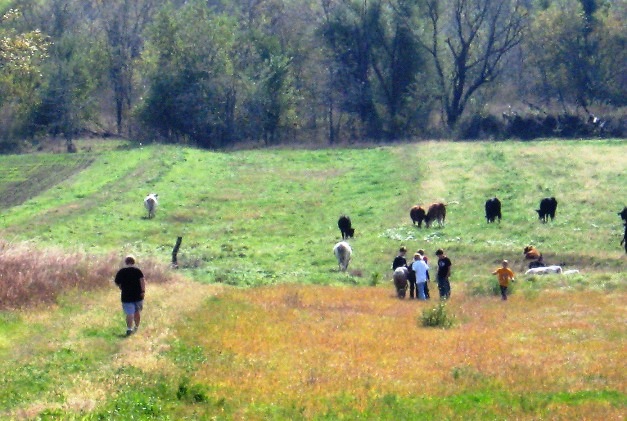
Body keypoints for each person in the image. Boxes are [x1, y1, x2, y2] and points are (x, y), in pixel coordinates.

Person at [114, 255, 145, 336]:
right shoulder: (138, 271)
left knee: (129, 313)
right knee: (137, 312)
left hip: (126, 295)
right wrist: (143, 291)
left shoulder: (122, 271)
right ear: (133, 262)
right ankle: (136, 327)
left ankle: (129, 329)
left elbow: (117, 282)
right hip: (138, 295)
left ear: (126, 262)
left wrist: (121, 286)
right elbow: (142, 281)